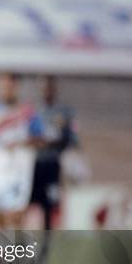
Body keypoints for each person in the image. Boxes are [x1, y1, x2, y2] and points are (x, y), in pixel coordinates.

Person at [0, 72, 44, 230]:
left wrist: (21, 142)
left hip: (18, 171)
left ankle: (17, 252)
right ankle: (1, 253)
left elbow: (40, 139)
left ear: (17, 87)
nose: (5, 90)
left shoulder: (28, 113)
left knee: (14, 217)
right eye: (2, 87)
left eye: (9, 87)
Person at [30, 75, 79, 230]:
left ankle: (46, 243)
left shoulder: (64, 112)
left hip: (53, 165)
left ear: (54, 89)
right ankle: (23, 244)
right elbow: (27, 136)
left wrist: (55, 142)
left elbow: (73, 139)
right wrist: (37, 141)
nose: (46, 91)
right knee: (28, 201)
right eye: (43, 88)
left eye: (49, 87)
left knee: (49, 204)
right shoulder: (33, 112)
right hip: (35, 164)